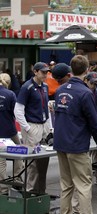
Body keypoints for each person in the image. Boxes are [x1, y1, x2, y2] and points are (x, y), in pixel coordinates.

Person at [53, 55, 97, 214]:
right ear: (87, 70)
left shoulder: (60, 90)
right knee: (83, 185)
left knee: (66, 185)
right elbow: (93, 124)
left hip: (61, 143)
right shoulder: (85, 93)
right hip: (77, 145)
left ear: (71, 70)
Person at [14, 62, 51, 194]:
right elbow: (18, 110)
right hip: (32, 125)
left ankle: (41, 192)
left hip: (42, 125)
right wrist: (27, 128)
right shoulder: (27, 87)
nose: (45, 75)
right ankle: (30, 191)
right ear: (35, 72)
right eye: (43, 72)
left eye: (47, 72)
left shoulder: (45, 86)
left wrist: (50, 129)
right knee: (32, 163)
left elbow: (46, 108)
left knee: (44, 160)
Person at [0, 73, 23, 194]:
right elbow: (16, 113)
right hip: (10, 131)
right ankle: (17, 180)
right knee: (20, 154)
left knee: (1, 161)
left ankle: (3, 188)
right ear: (8, 83)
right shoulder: (10, 94)